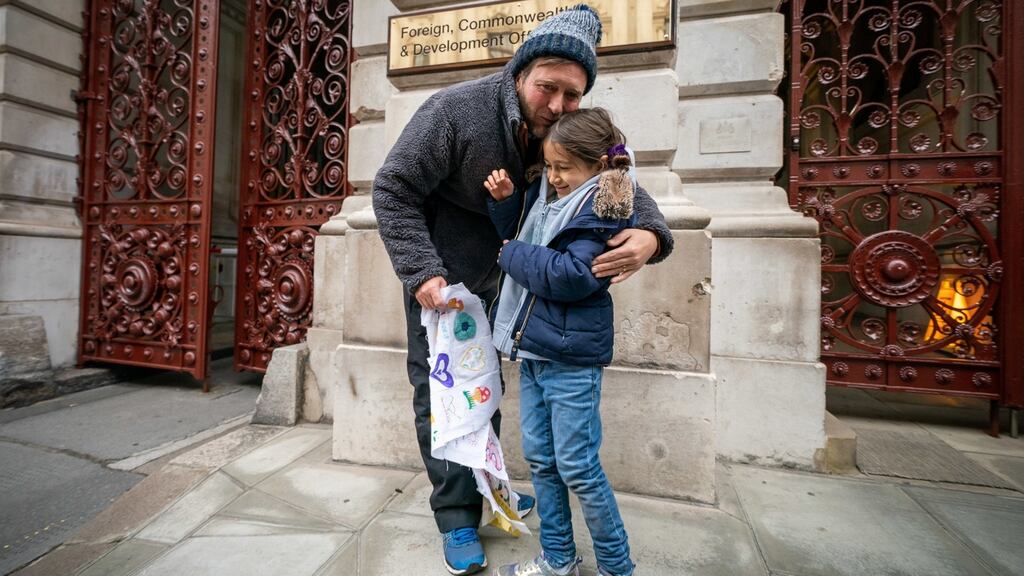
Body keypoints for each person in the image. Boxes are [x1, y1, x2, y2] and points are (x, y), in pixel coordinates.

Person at [371, 5, 672, 575]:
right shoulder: (454, 112)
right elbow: (392, 188)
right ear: (520, 74)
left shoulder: (565, 132)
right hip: (444, 282)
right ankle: (457, 517)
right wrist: (421, 271)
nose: (558, 106)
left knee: (486, 394)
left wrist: (652, 236)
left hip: (516, 287)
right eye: (548, 88)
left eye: (573, 94)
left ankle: (489, 491)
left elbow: (621, 183)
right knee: (443, 398)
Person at [484, 108, 636, 576]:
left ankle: (617, 567)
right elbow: (529, 233)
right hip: (535, 353)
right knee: (543, 463)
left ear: (596, 166)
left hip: (571, 361)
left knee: (579, 468)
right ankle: (557, 559)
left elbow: (573, 275)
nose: (553, 176)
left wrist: (510, 255)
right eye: (549, 166)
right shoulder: (552, 200)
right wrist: (509, 202)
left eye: (563, 167)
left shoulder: (602, 207)